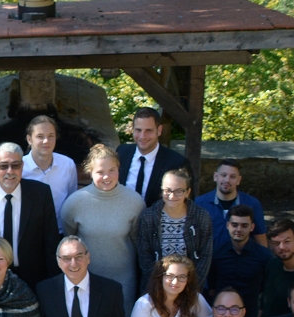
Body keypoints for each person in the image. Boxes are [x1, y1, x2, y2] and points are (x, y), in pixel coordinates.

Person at [0, 142, 60, 288]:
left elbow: (51, 242)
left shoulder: (41, 194)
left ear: (22, 166)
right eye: (4, 166)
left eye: (15, 165)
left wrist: (52, 284)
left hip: (33, 280)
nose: (10, 171)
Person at [62, 144, 147, 301]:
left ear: (119, 169)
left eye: (111, 170)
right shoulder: (74, 203)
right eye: (100, 172)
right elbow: (69, 240)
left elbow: (139, 243)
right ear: (90, 172)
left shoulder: (135, 202)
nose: (107, 177)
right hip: (87, 280)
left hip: (124, 281)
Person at [135, 168, 214, 288]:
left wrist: (190, 286)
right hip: (155, 287)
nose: (172, 196)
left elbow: (205, 256)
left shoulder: (201, 217)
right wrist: (161, 286)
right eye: (167, 190)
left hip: (190, 287)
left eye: (179, 191)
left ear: (188, 192)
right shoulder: (148, 217)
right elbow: (144, 257)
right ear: (161, 190)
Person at [209, 206, 274, 317]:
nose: (239, 229)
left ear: (252, 227)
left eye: (244, 226)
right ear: (227, 225)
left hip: (250, 315)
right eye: (235, 225)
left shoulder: (264, 256)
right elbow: (212, 283)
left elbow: (266, 287)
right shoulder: (215, 253)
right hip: (221, 314)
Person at [116, 108, 188, 206]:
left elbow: (186, 203)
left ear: (159, 130)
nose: (142, 136)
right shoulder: (121, 152)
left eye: (148, 130)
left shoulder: (176, 162)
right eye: (138, 130)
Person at [22, 115, 77, 228]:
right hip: (29, 230)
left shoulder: (67, 164)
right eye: (40, 136)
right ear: (29, 139)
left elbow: (72, 198)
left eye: (51, 136)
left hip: (60, 230)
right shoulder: (19, 167)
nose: (46, 141)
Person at [197, 158, 267, 246]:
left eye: (232, 177)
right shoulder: (199, 204)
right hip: (211, 254)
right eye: (223, 175)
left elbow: (260, 239)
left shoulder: (252, 204)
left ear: (238, 180)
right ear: (215, 177)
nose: (227, 180)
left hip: (242, 254)